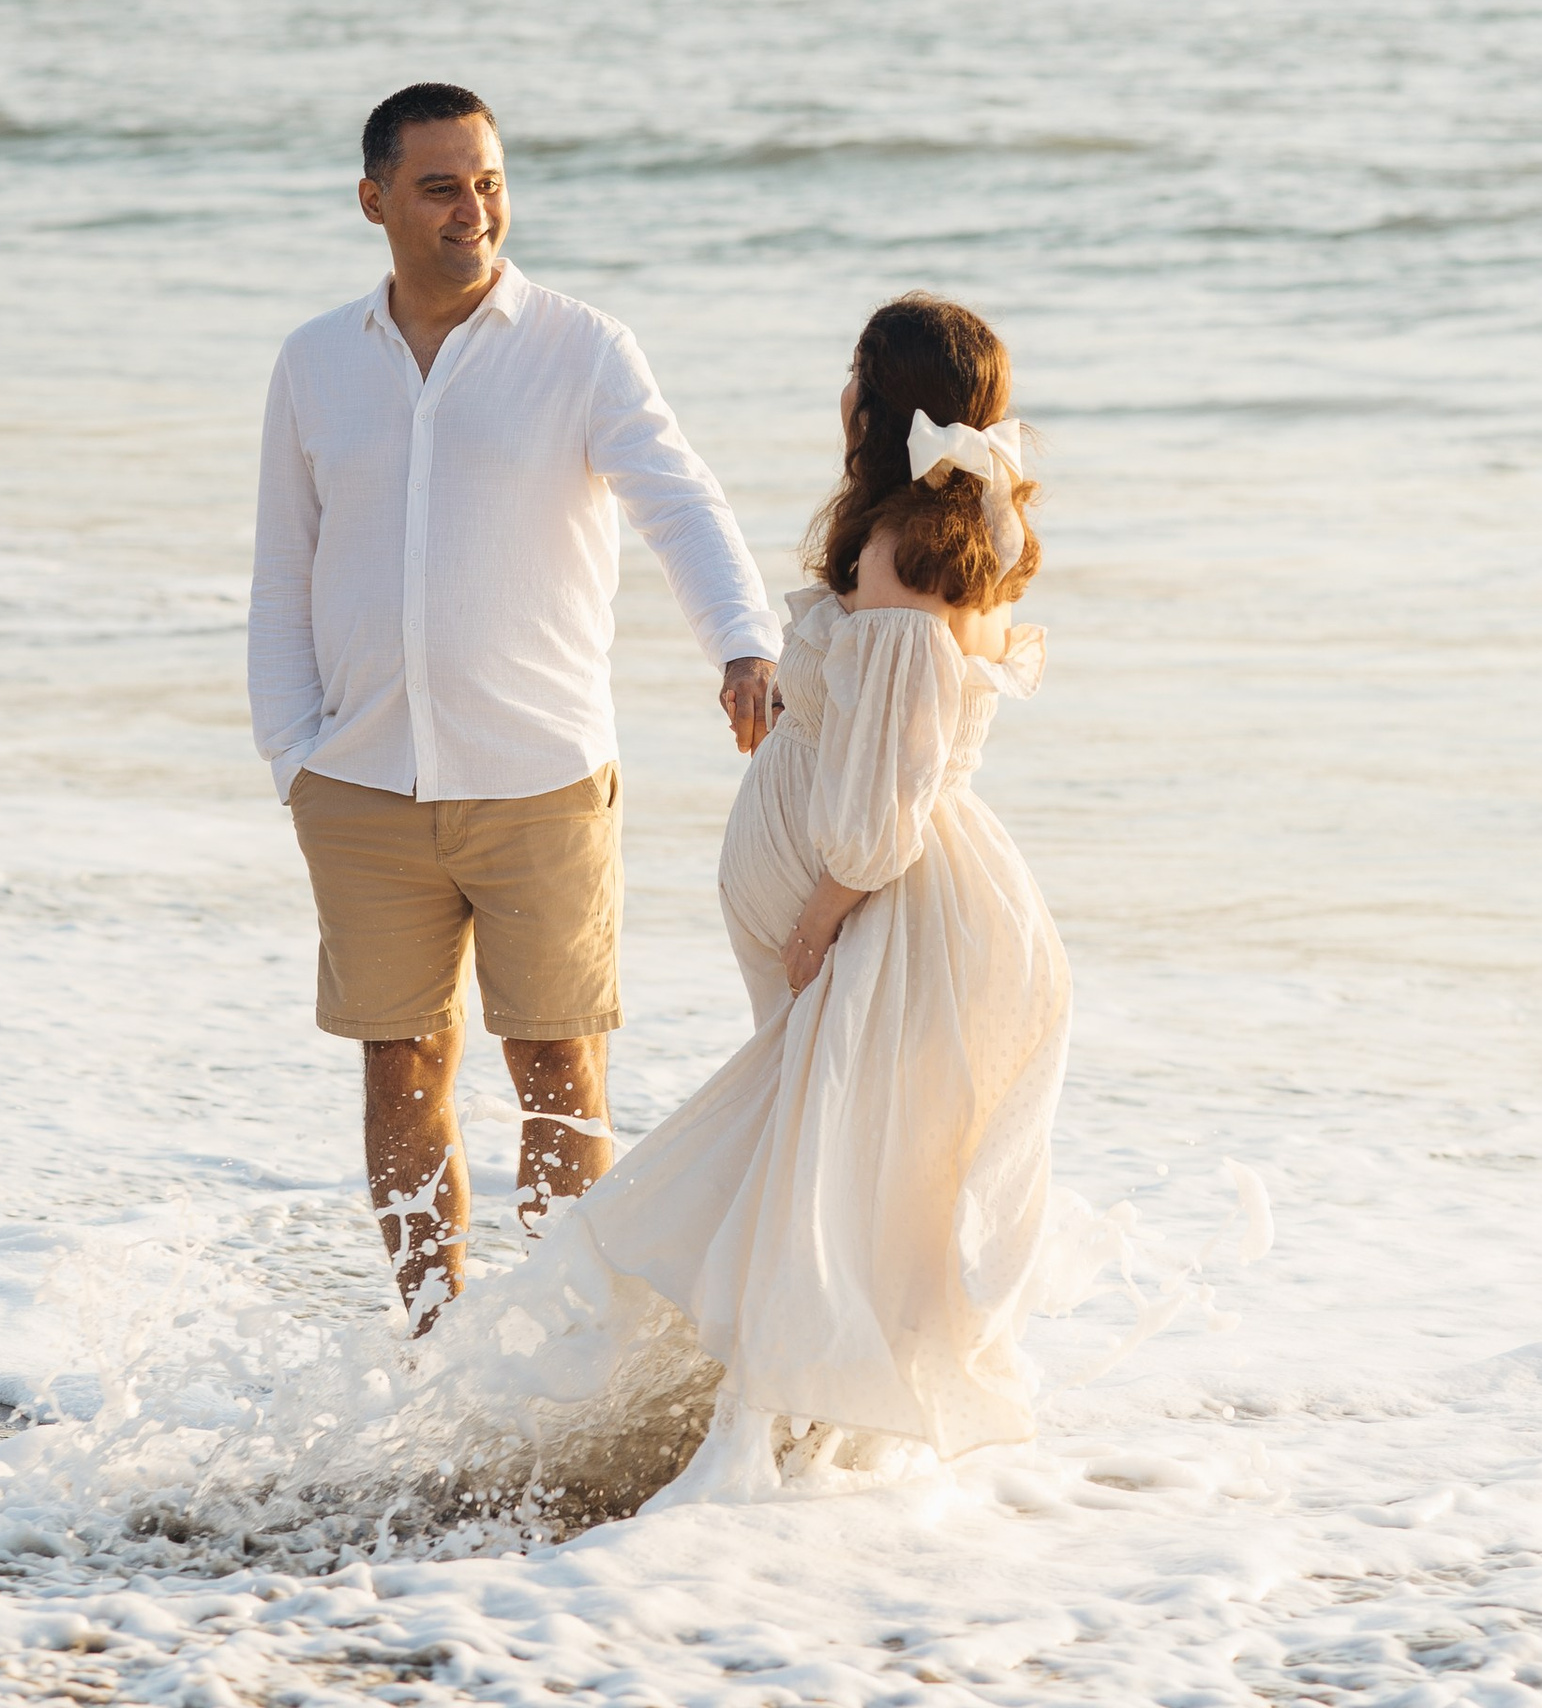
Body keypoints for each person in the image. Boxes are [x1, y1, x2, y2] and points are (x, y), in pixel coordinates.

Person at [249, 82, 779, 1321]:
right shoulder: (316, 361)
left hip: (540, 778)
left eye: (488, 181)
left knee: (558, 1075)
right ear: (374, 200)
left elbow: (679, 502)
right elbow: (283, 570)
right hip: (364, 785)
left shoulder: (581, 347)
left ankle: (556, 1357)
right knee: (402, 1071)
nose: (471, 209)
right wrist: (294, 757)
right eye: (440, 186)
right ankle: (435, 1349)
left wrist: (743, 644)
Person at [555, 291, 1072, 1500]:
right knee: (830, 1157)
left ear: (882, 396)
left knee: (824, 1166)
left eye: (853, 371)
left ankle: (770, 1428)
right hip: (863, 893)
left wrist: (823, 908)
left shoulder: (905, 555)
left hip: (874, 905)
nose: (840, 391)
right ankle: (796, 1428)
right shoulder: (926, 538)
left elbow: (887, 793)